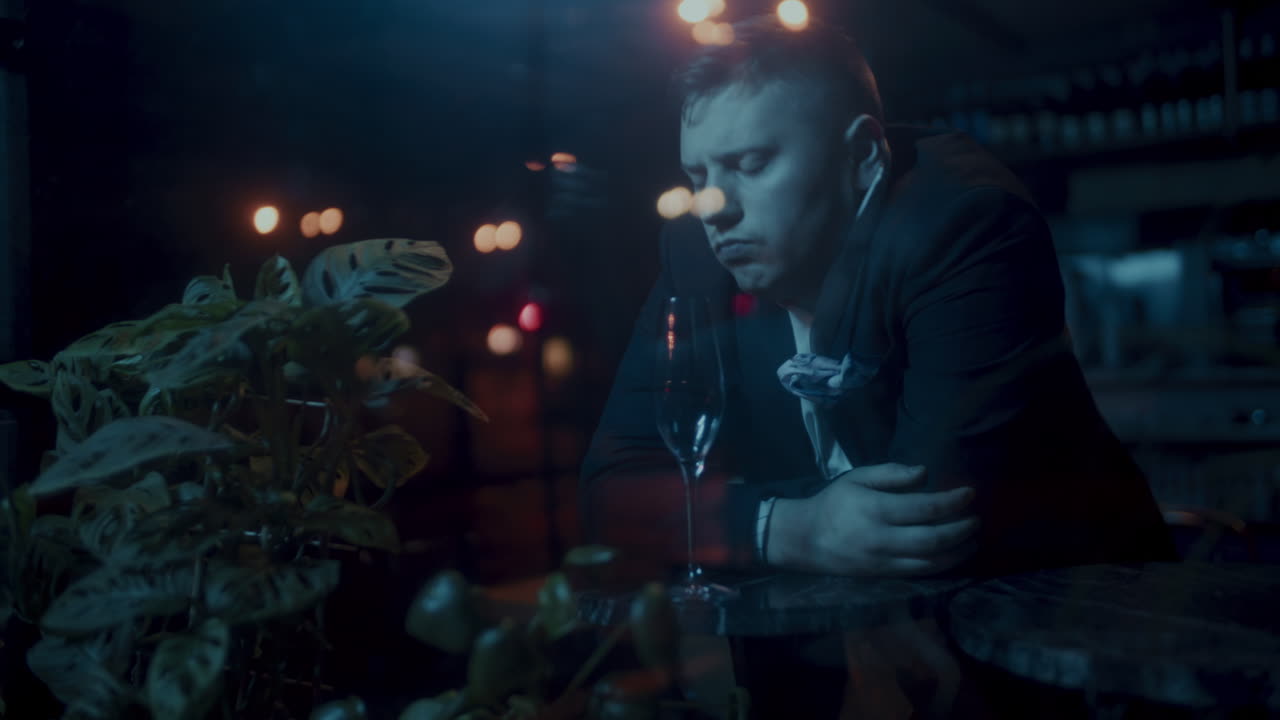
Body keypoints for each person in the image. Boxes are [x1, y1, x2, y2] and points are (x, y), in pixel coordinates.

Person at [580, 14, 1179, 718]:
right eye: (698, 175)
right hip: (836, 663)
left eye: (750, 164)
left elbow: (929, 522)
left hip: (1071, 649)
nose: (716, 208)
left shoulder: (963, 224)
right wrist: (794, 524)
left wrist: (726, 505)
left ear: (863, 156)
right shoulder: (695, 255)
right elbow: (607, 496)